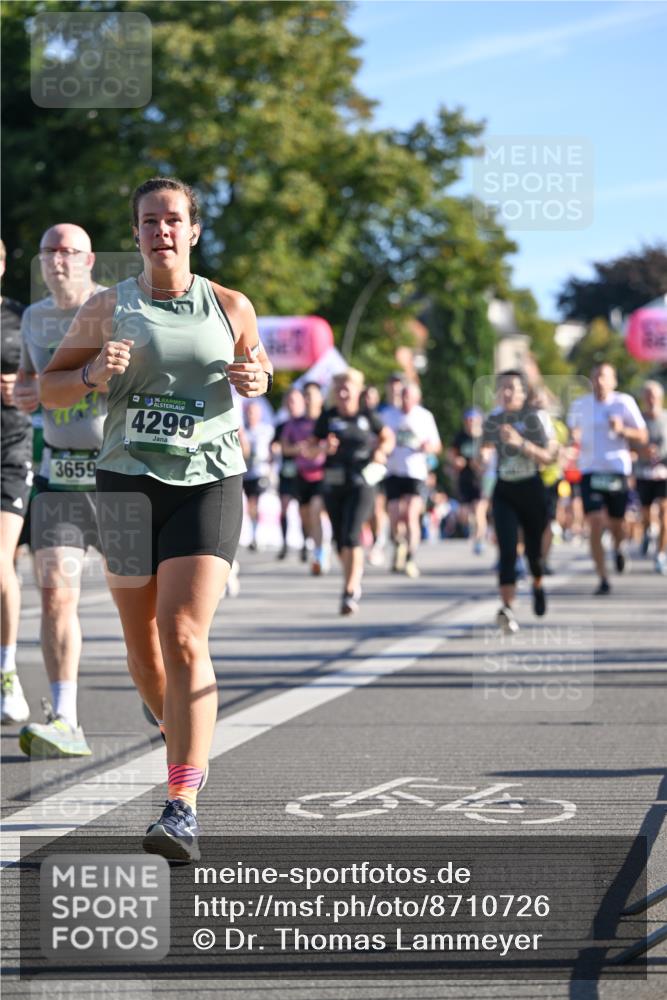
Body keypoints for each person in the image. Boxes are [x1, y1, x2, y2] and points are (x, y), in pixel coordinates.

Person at [40, 176, 272, 862]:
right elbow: (49, 393)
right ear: (136, 234)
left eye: (173, 220)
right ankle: (174, 722)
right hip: (125, 485)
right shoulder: (108, 309)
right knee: (143, 652)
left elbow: (254, 368)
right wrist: (89, 379)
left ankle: (181, 805)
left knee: (182, 634)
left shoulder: (229, 305)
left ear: (193, 232)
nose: (162, 231)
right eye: (149, 221)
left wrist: (258, 379)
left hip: (207, 482)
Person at [14, 224, 106, 756]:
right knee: (55, 594)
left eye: (69, 251)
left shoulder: (116, 309)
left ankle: (159, 691)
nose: (58, 260)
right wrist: (25, 393)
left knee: (140, 604)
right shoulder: (33, 318)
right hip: (60, 473)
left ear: (90, 259)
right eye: (50, 251)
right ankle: (65, 716)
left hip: (119, 473)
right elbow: (30, 383)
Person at [311, 369, 394, 614]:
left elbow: (387, 437)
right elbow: (310, 448)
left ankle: (350, 589)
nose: (343, 393)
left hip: (362, 481)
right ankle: (351, 576)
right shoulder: (327, 417)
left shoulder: (368, 416)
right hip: (334, 481)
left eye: (347, 389)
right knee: (339, 540)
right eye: (339, 389)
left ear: (358, 391)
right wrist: (324, 447)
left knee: (352, 534)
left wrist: (381, 452)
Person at [482, 370, 558, 633]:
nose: (507, 393)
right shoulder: (493, 418)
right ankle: (507, 608)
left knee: (534, 555)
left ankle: (537, 585)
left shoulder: (536, 419)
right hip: (505, 490)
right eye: (502, 388)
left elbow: (550, 456)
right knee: (507, 549)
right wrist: (481, 458)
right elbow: (483, 450)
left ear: (524, 393)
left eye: (512, 388)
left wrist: (521, 443)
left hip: (531, 489)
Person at [567, 363, 647, 595]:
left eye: (603, 376)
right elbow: (573, 433)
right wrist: (573, 440)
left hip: (616, 470)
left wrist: (623, 430)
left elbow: (642, 435)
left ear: (613, 381)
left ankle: (619, 546)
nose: (599, 381)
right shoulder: (580, 405)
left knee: (617, 523)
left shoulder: (624, 403)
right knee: (594, 522)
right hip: (590, 470)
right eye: (595, 376)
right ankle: (603, 577)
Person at [0, 239, 33, 724]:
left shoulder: (24, 319)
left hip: (8, 451)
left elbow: (56, 380)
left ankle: (6, 670)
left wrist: (29, 388)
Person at [382, 382, 441, 577]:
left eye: (409, 396)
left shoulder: (424, 417)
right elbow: (379, 439)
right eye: (403, 396)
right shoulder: (388, 415)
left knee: (410, 515)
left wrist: (427, 447)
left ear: (417, 398)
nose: (405, 400)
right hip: (393, 471)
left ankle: (410, 558)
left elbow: (437, 446)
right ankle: (398, 545)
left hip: (415, 472)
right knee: (393, 515)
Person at [279, 381, 328, 575]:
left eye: (311, 395)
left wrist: (317, 450)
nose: (307, 399)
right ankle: (315, 543)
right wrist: (298, 449)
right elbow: (285, 447)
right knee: (305, 516)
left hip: (321, 475)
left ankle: (319, 554)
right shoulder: (294, 423)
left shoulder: (325, 421)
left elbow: (330, 445)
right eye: (305, 395)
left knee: (316, 511)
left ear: (320, 399)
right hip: (301, 475)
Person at [272, 387, 308, 562]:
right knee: (285, 506)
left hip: (303, 472)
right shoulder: (282, 426)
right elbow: (274, 445)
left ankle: (305, 545)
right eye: (289, 401)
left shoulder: (309, 423)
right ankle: (285, 543)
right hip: (286, 471)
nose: (292, 405)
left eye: (295, 401)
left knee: (303, 511)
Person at [636, 380, 667, 574]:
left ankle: (661, 554)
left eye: (654, 395)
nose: (651, 399)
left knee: (665, 514)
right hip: (643, 473)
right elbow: (629, 444)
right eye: (647, 395)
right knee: (646, 513)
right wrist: (642, 450)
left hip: (664, 473)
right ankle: (648, 530)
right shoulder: (638, 420)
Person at [449, 408, 487, 555]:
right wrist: (456, 461)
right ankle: (473, 529)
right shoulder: (460, 437)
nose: (471, 424)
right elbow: (451, 454)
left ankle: (479, 540)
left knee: (479, 510)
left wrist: (481, 460)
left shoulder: (483, 438)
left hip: (480, 479)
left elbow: (489, 456)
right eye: (468, 421)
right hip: (464, 479)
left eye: (473, 421)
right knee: (464, 515)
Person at [240, 400, 275, 551]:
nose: (250, 415)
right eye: (248, 412)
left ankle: (257, 535)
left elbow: (272, 449)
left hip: (260, 472)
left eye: (253, 412)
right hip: (246, 472)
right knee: (249, 504)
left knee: (256, 502)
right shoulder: (243, 431)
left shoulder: (266, 430)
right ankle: (252, 534)